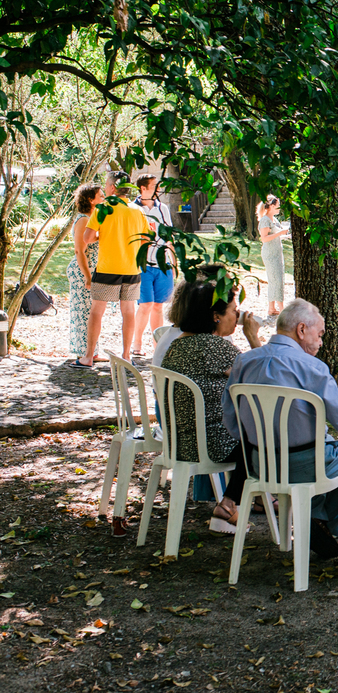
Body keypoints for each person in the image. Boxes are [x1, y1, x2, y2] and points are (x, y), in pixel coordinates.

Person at [223, 299, 338, 558]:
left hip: (259, 464)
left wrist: (258, 442)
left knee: (334, 456)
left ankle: (318, 516)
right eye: (319, 335)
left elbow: (231, 420)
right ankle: (333, 522)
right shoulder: (312, 367)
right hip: (307, 464)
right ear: (301, 329)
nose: (320, 342)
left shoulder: (243, 362)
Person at [159, 269, 263, 536]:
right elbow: (267, 380)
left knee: (253, 435)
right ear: (216, 316)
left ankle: (237, 503)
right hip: (211, 445)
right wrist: (254, 339)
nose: (237, 317)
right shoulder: (216, 348)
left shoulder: (178, 344)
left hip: (180, 441)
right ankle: (235, 504)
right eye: (233, 311)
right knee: (268, 439)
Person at [73, 171, 152, 369]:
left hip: (107, 268)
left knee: (96, 312)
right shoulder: (138, 210)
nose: (106, 189)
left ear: (113, 187)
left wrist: (104, 234)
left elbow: (87, 238)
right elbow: (146, 239)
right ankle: (126, 356)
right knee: (128, 312)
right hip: (131, 268)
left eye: (107, 185)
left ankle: (88, 357)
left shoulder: (103, 208)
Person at [129, 173, 176, 357]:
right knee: (145, 304)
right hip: (142, 265)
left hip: (162, 264)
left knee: (158, 306)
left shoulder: (163, 208)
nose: (159, 189)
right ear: (143, 188)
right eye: (155, 185)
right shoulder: (133, 209)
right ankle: (137, 343)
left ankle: (157, 346)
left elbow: (169, 237)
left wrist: (173, 263)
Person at [67, 184, 104, 364]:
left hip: (93, 270)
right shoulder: (83, 220)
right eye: (101, 195)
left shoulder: (93, 218)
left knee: (91, 312)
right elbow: (79, 251)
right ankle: (84, 354)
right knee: (84, 313)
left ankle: (92, 352)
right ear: (91, 200)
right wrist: (88, 277)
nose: (104, 198)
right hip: (82, 272)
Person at [257, 195, 288, 316]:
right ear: (270, 206)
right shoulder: (265, 220)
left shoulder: (274, 220)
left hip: (277, 252)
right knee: (277, 280)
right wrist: (280, 233)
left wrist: (284, 234)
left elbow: (277, 234)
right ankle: (281, 309)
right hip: (270, 254)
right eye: (277, 206)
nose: (279, 208)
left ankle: (272, 308)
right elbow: (264, 238)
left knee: (274, 279)